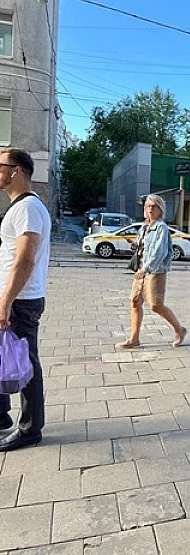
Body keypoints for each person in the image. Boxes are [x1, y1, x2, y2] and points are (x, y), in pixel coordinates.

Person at [0, 147, 51, 452]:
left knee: (25, 364)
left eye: (0, 165)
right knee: (6, 357)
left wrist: (6, 301)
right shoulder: (19, 206)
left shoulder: (28, 207)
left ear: (16, 170)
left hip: (20, 300)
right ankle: (1, 414)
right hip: (14, 297)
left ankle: (30, 429)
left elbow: (25, 260)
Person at [116, 194, 186, 350]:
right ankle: (134, 339)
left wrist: (145, 269)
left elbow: (159, 253)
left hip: (155, 271)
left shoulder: (161, 228)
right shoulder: (145, 226)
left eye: (154, 206)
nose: (150, 209)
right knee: (135, 302)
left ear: (160, 209)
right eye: (148, 206)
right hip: (141, 270)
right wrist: (135, 245)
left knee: (156, 305)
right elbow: (145, 247)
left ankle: (180, 330)